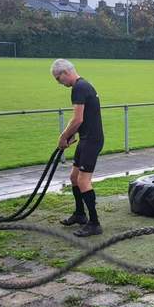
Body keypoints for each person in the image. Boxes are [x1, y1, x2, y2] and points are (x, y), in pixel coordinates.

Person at [51, 59, 104, 237]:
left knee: (83, 181)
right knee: (74, 177)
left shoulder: (79, 88)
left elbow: (78, 119)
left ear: (65, 73)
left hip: (92, 140)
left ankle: (94, 223)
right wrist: (73, 134)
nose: (60, 83)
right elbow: (84, 119)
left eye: (59, 79)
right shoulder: (83, 86)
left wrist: (63, 136)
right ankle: (80, 214)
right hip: (86, 138)